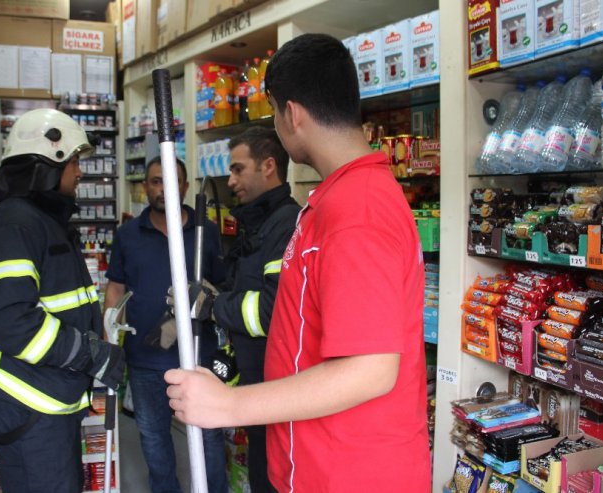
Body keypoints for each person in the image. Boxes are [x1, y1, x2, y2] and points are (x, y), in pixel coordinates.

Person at [165, 33, 431, 492]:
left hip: (350, 475)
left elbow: (370, 368)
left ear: (293, 113)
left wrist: (229, 407)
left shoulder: (358, 212)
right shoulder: (335, 201)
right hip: (317, 464)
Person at [0, 108, 126, 493]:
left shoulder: (42, 221)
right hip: (29, 404)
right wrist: (91, 354)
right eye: (74, 161)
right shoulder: (15, 225)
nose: (79, 172)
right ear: (47, 164)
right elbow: (13, 324)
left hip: (47, 400)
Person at [104, 156, 228, 493]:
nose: (163, 189)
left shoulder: (206, 232)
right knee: (153, 436)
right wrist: (110, 342)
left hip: (199, 354)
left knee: (209, 434)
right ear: (145, 187)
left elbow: (222, 288)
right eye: (156, 181)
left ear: (186, 187)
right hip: (145, 358)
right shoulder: (128, 235)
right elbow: (116, 288)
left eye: (171, 181)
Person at [211, 126, 300, 493]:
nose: (230, 181)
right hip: (257, 384)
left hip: (275, 386)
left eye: (237, 169)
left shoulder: (286, 223)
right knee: (261, 473)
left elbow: (271, 311)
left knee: (271, 478)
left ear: (268, 166)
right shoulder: (259, 223)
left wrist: (214, 306)